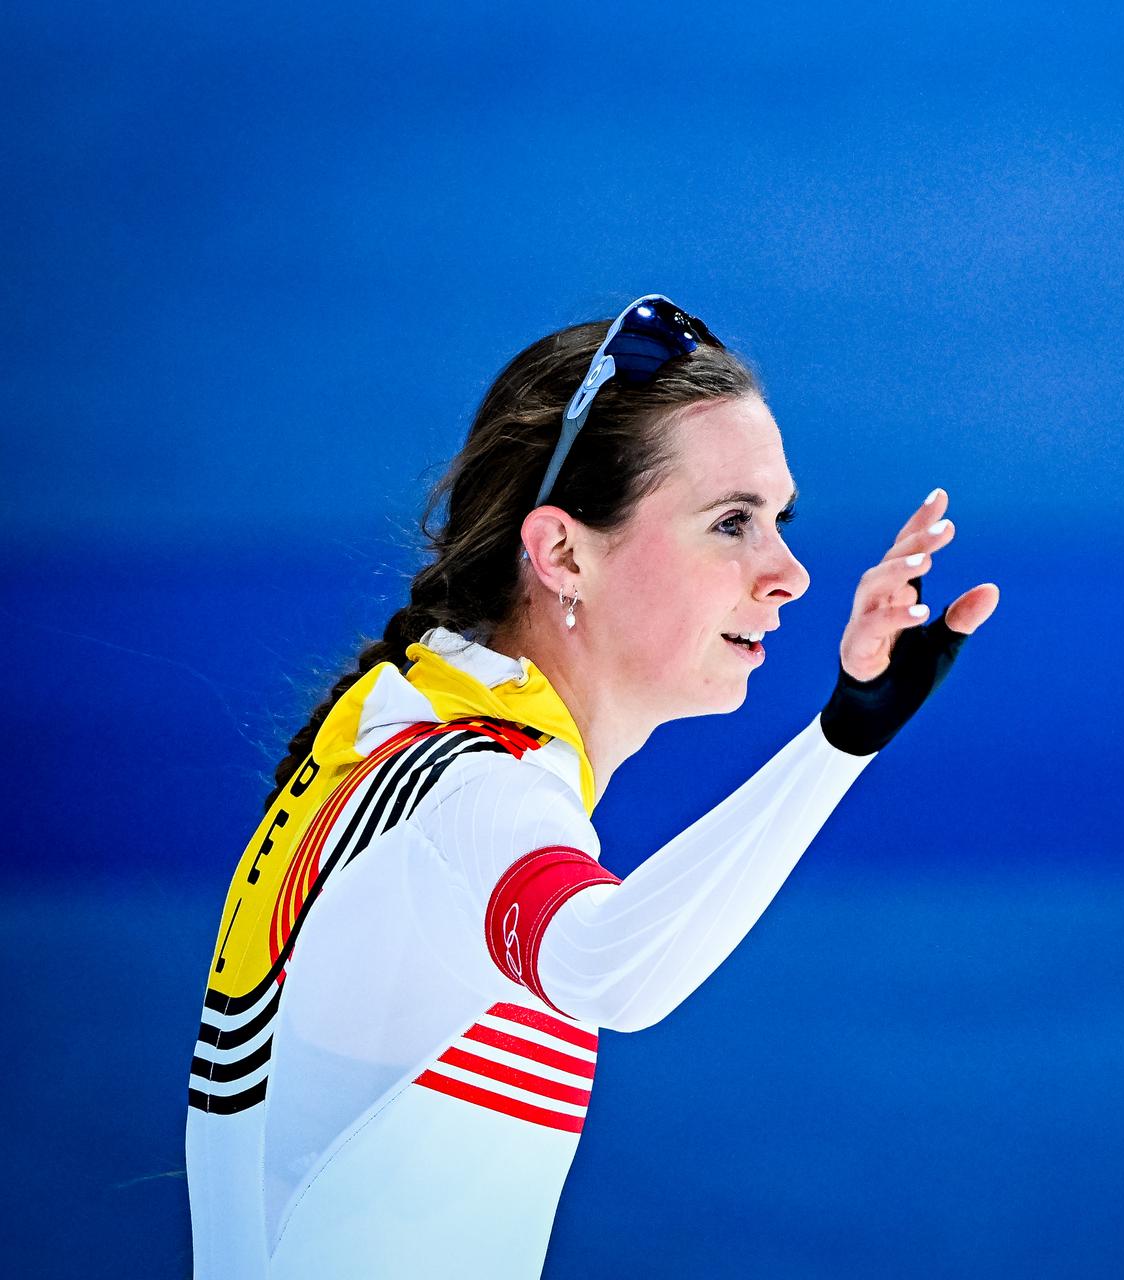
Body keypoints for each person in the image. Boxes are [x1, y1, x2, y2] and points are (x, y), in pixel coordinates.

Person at [183, 295, 999, 1278]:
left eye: (780, 519)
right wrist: (841, 739)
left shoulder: (406, 723)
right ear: (563, 552)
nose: (788, 572)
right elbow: (611, 967)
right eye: (732, 521)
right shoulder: (463, 791)